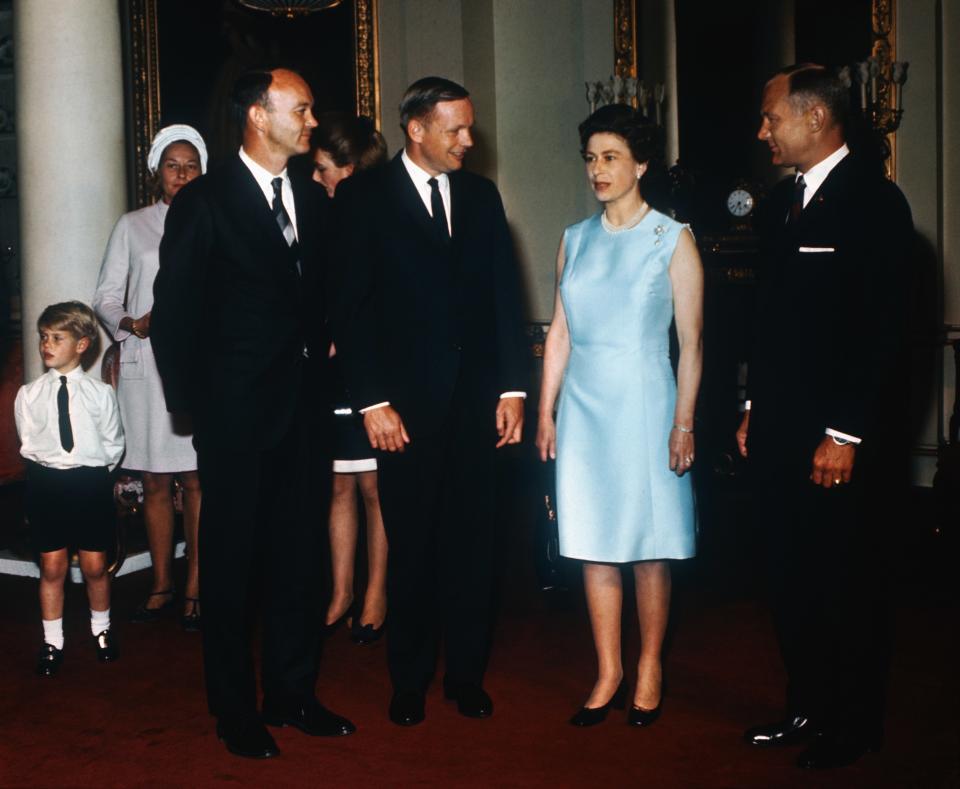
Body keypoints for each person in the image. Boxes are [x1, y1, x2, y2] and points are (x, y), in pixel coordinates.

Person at [150, 68, 354, 759]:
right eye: (301, 108)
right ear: (258, 118)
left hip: (304, 412)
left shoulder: (314, 198)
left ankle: (293, 692)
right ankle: (235, 709)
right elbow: (175, 316)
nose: (312, 119)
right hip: (235, 416)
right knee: (232, 567)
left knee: (302, 559)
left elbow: (321, 294)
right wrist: (193, 408)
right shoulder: (205, 201)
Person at [331, 76, 528, 727]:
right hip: (402, 414)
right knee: (411, 547)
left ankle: (466, 676)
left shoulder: (480, 196)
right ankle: (409, 679)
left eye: (469, 127)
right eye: (457, 129)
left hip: (479, 408)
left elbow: (504, 298)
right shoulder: (363, 198)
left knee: (475, 547)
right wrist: (371, 401)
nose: (469, 140)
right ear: (417, 129)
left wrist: (512, 388)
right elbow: (351, 312)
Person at [738, 64, 914, 770]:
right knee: (789, 576)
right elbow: (766, 324)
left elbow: (882, 333)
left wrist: (844, 432)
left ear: (815, 119)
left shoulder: (876, 204)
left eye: (770, 117)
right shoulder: (781, 204)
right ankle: (805, 705)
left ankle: (853, 722)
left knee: (847, 583)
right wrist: (752, 406)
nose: (762, 131)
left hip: (838, 442)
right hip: (779, 434)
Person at [536, 104, 702, 728]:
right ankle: (607, 669)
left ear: (641, 163)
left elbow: (692, 342)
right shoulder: (574, 240)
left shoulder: (672, 238)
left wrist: (683, 422)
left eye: (610, 157)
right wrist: (546, 411)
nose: (597, 170)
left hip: (646, 402)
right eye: (590, 158)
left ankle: (650, 665)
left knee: (647, 546)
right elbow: (560, 335)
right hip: (583, 407)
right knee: (593, 543)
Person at [93, 125, 207, 631]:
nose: (181, 174)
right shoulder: (133, 225)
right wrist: (130, 323)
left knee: (199, 479)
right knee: (157, 480)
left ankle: (197, 586)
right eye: (172, 165)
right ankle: (162, 582)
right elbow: (106, 295)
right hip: (146, 364)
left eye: (191, 165)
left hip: (201, 365)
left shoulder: (215, 220)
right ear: (157, 171)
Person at [310, 112, 389, 643]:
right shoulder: (324, 215)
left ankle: (377, 591)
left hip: (376, 370)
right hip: (331, 370)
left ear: (350, 167)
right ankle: (341, 590)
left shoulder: (383, 216)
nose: (316, 179)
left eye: (323, 169)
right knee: (339, 483)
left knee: (375, 490)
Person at [15, 302, 125, 676]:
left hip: (89, 483)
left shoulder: (100, 394)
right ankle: (52, 641)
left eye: (57, 338)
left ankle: (102, 629)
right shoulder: (29, 395)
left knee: (95, 566)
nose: (47, 344)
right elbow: (29, 443)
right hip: (47, 484)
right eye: (44, 337)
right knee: (52, 566)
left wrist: (91, 477)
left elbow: (113, 445)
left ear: (82, 344)